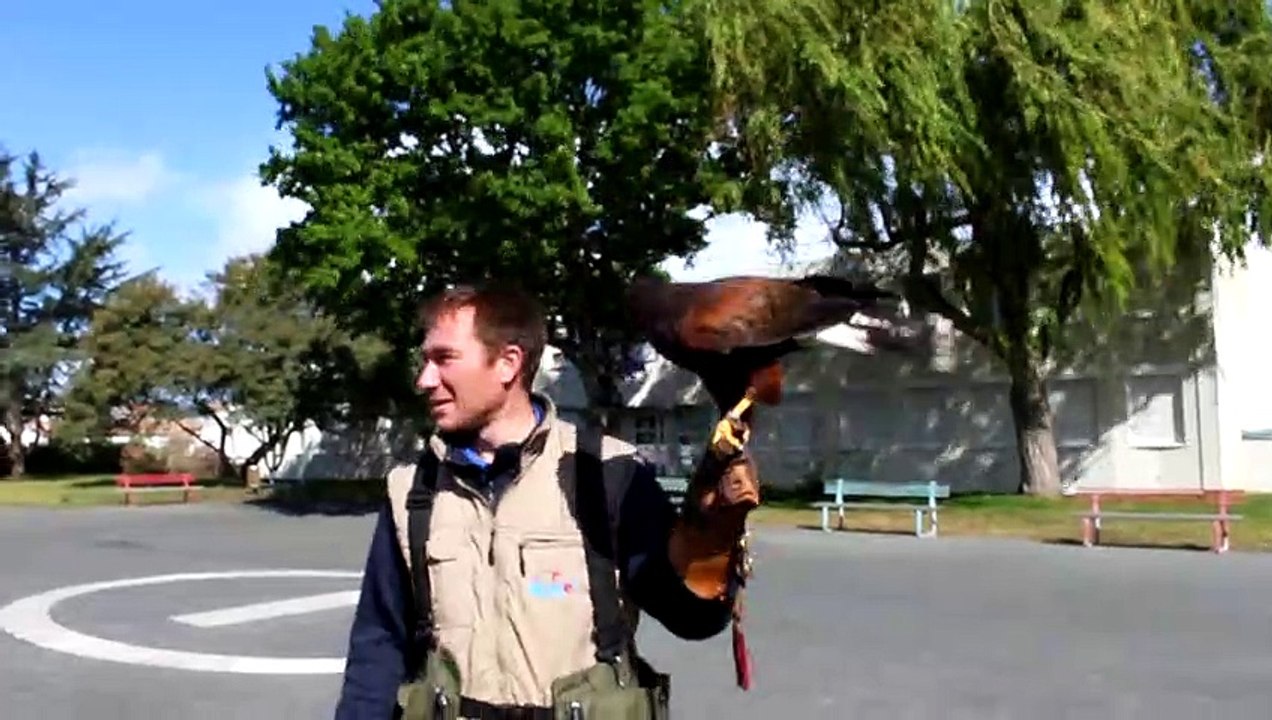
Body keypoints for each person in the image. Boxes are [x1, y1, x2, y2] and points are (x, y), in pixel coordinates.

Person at [333, 282, 748, 719]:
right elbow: (377, 650)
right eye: (426, 361)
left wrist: (715, 536)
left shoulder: (607, 473)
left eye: (444, 359)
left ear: (508, 363)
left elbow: (691, 618)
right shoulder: (413, 492)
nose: (425, 379)